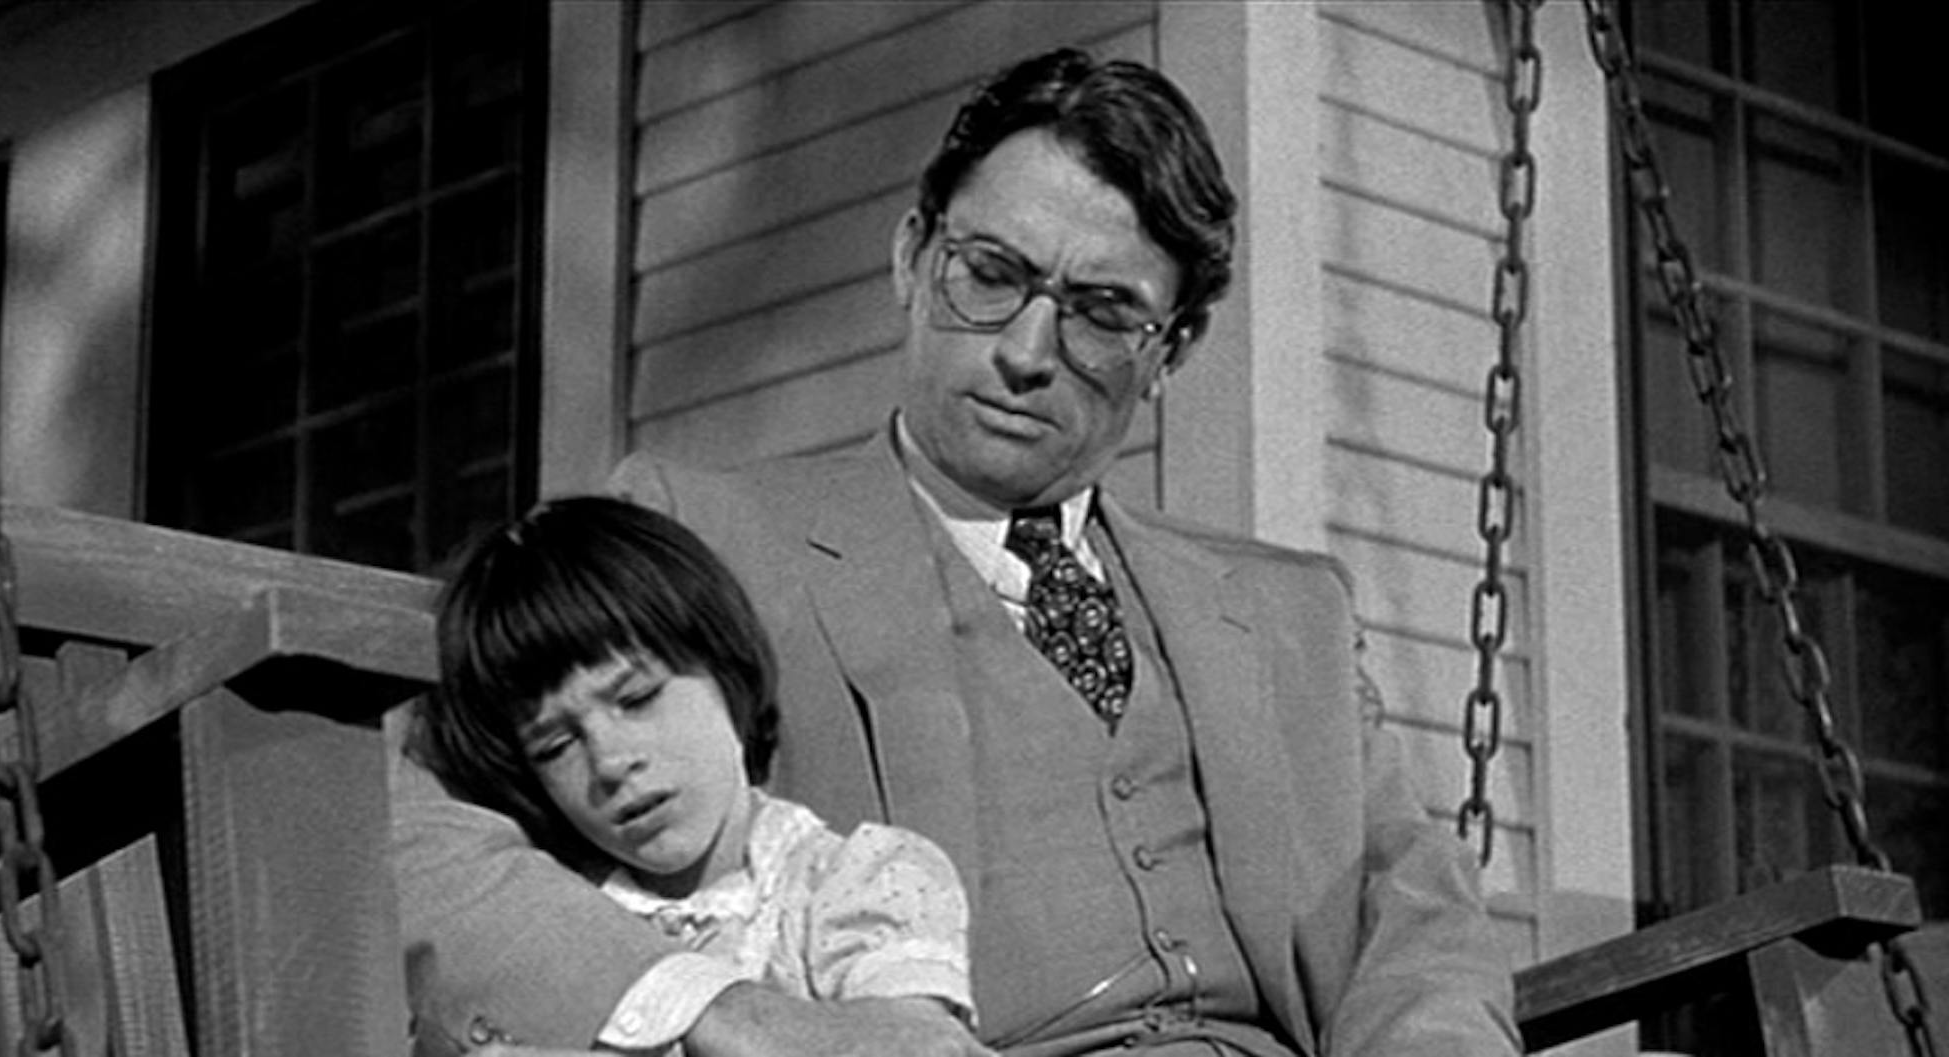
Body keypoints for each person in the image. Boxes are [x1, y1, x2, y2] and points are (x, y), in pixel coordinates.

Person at [394, 46, 1520, 1056]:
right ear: (910, 260)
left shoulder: (1287, 612)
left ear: (1169, 350)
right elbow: (416, 827)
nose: (1029, 351)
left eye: (1100, 310)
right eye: (991, 274)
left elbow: (1414, 915)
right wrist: (717, 1008)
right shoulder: (699, 531)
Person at [404, 496, 983, 1056]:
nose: (609, 762)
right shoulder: (554, 920)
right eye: (557, 745)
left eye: (638, 698)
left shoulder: (865, 879)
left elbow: (901, 1045)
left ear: (724, 668)